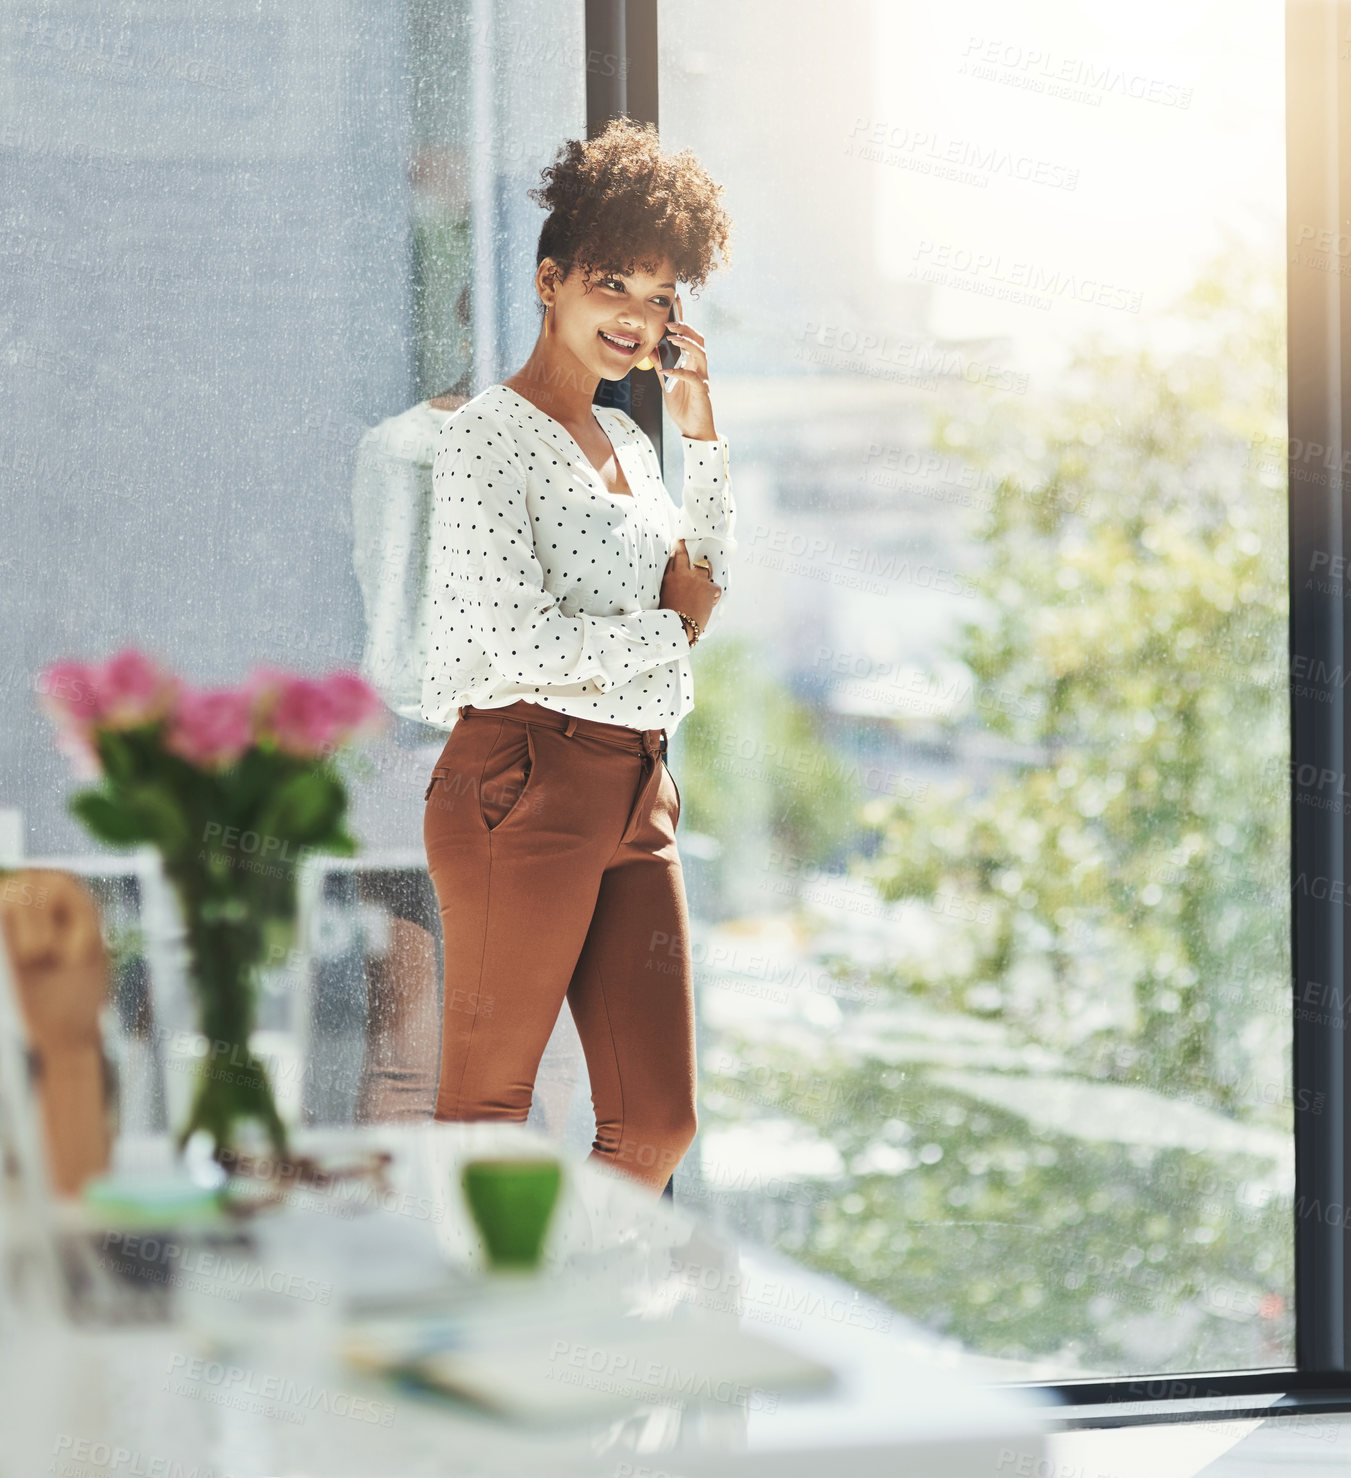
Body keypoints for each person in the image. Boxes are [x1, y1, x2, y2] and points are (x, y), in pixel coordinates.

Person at [420, 115, 736, 1194]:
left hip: (637, 786)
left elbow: (706, 570)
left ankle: (576, 1323)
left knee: (656, 1124)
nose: (638, 319)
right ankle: (483, 1346)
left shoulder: (638, 446)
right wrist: (669, 631)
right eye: (614, 284)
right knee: (488, 1113)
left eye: (660, 299)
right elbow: (519, 639)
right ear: (552, 280)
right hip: (521, 775)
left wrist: (702, 433)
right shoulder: (484, 437)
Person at [349, 391, 590, 1140]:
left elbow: (379, 596)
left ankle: (424, 1231)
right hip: (493, 752)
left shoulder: (395, 449)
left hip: (422, 752)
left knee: (411, 1049)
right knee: (524, 1052)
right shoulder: (556, 449)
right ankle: (502, 1235)